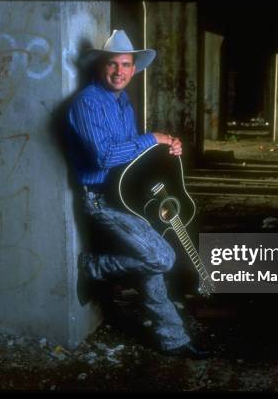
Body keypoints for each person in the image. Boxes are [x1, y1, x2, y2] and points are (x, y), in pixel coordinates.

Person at [66, 29, 209, 359]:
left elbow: (131, 159)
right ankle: (95, 268)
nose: (119, 72)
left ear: (134, 69)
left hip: (125, 197)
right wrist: (150, 138)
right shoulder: (87, 103)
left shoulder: (122, 103)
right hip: (101, 200)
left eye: (126, 65)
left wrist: (167, 147)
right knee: (161, 257)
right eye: (112, 64)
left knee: (151, 260)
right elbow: (102, 157)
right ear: (101, 66)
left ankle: (173, 338)